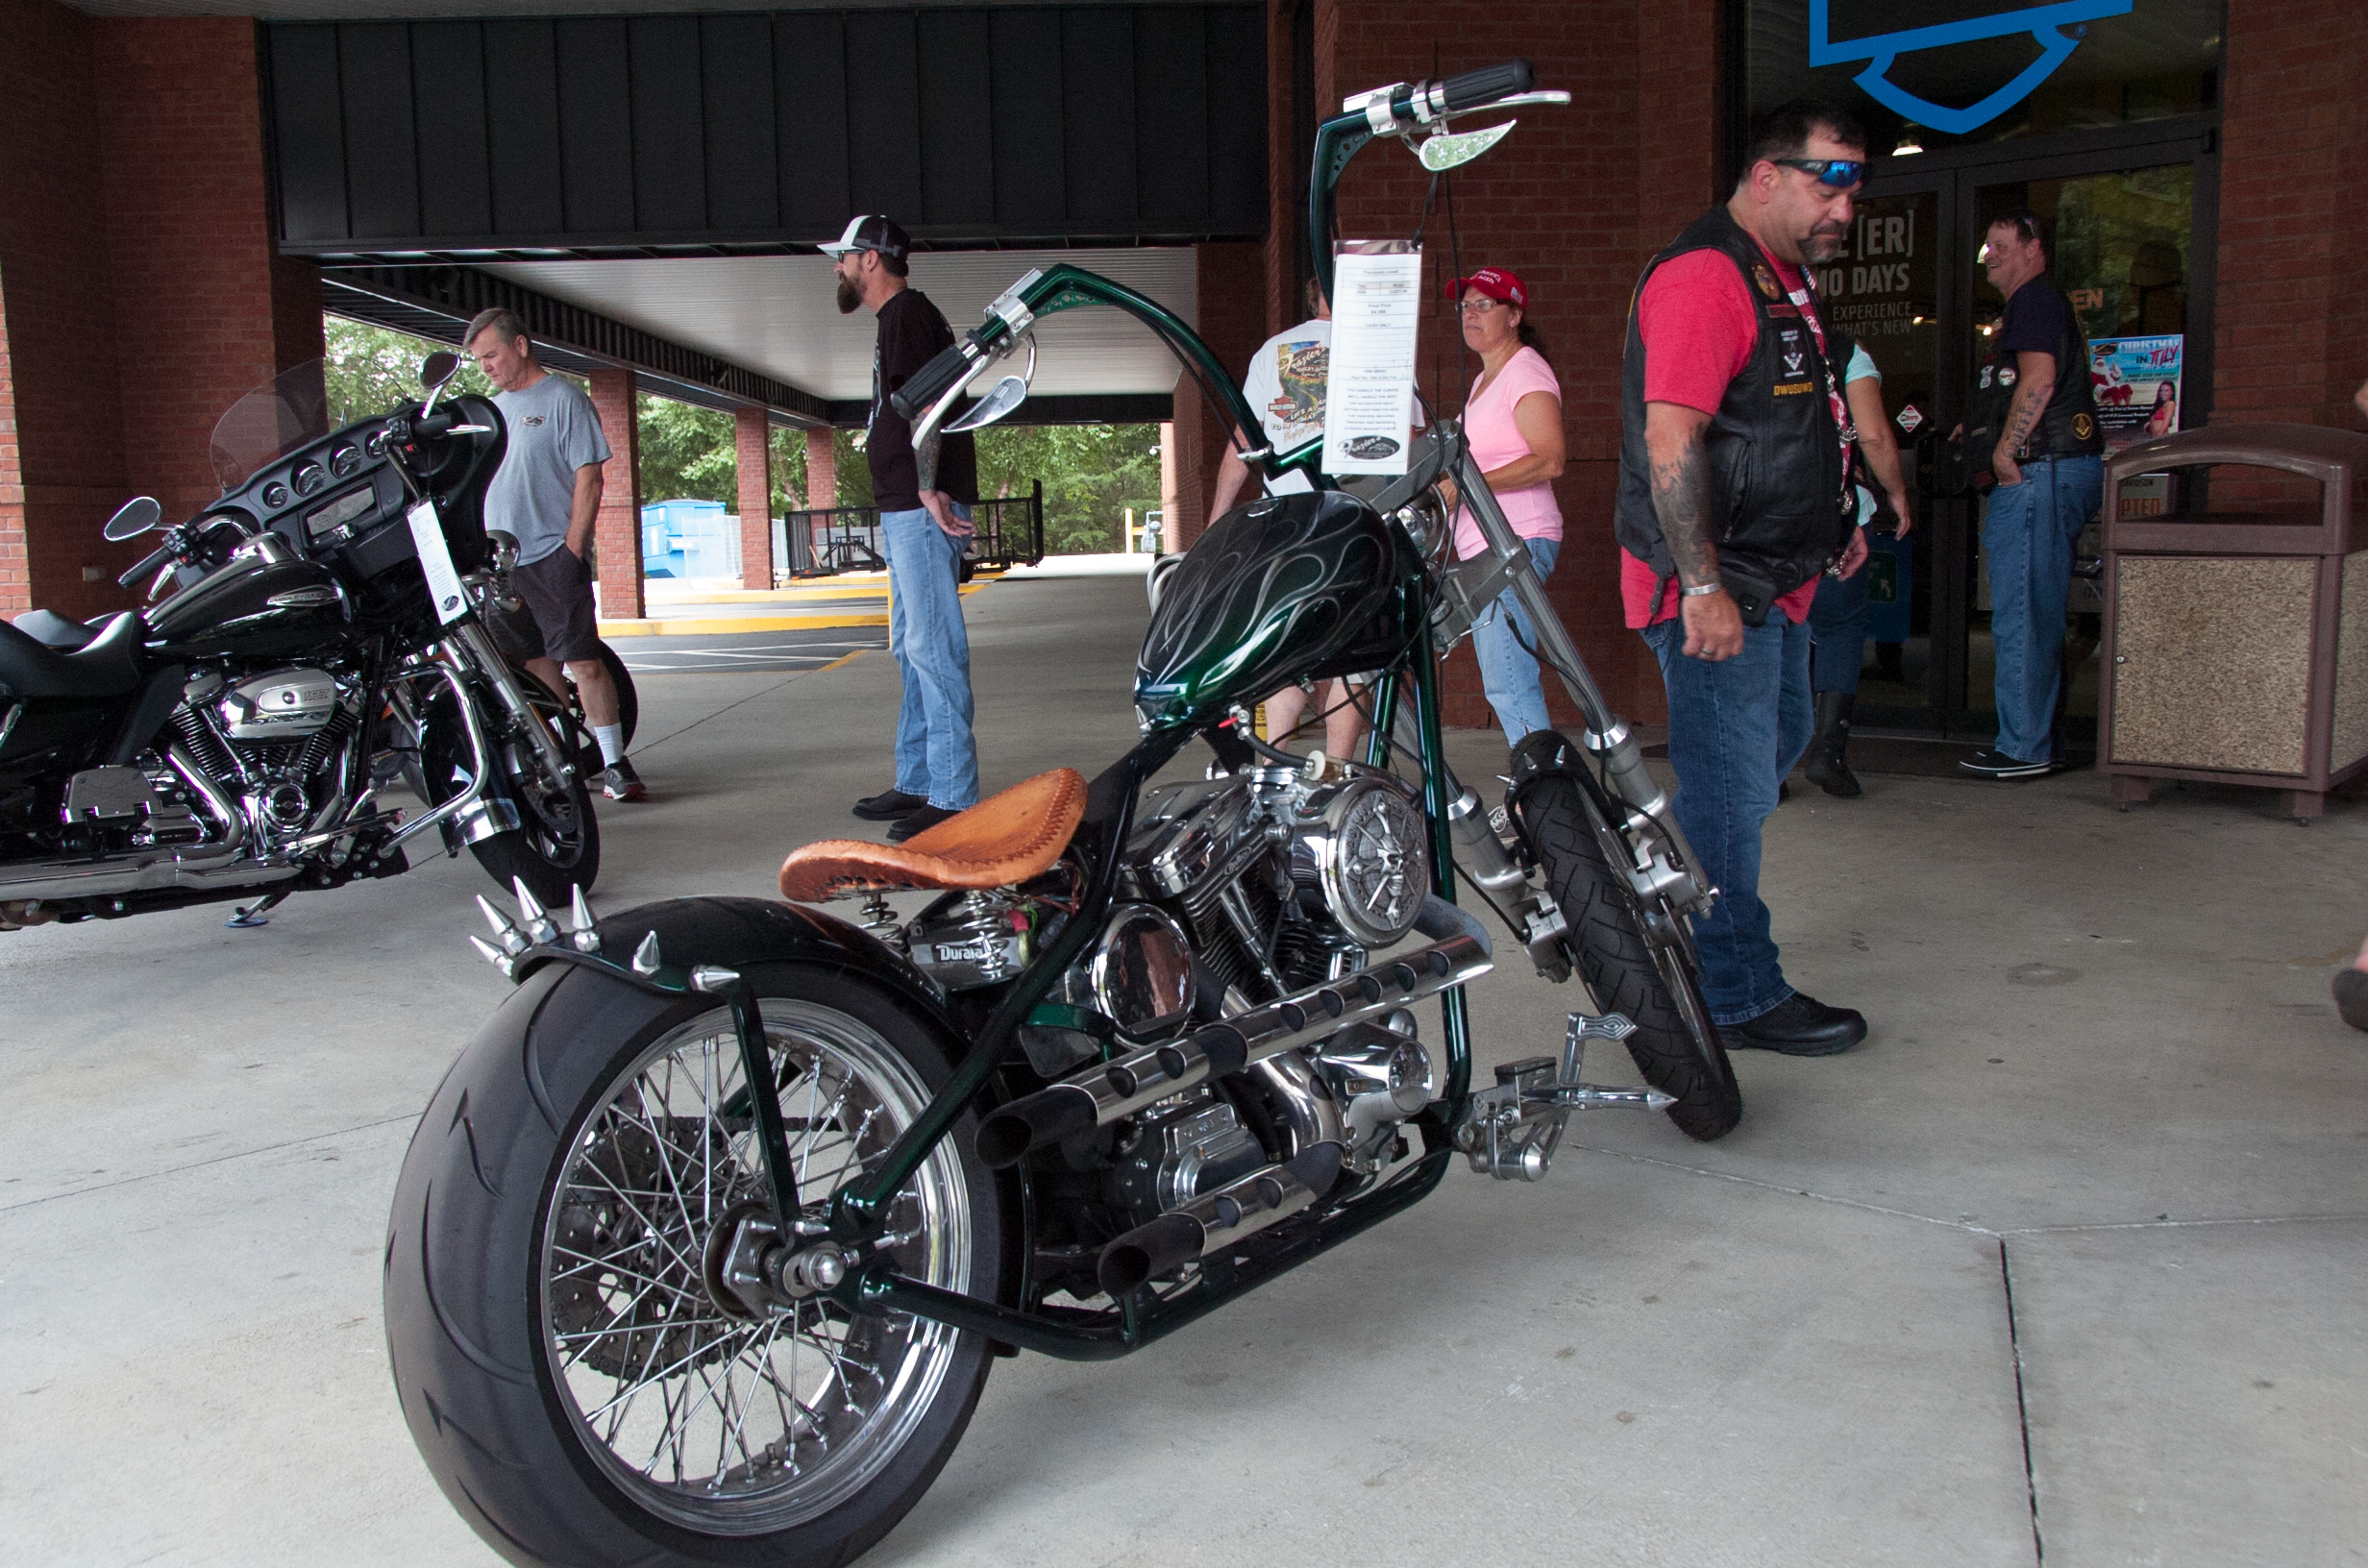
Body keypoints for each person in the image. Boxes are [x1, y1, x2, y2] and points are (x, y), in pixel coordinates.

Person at [1613, 99, 1872, 1056]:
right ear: (1766, 176)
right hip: (1721, 587)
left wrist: (1834, 521)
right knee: (1728, 791)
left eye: (1855, 186)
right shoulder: (1705, 276)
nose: (1844, 209)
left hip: (1776, 576)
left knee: (1768, 753)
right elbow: (1671, 440)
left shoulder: (1780, 277)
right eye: (1829, 183)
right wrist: (1702, 586)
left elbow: (1789, 423)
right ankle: (1732, 990)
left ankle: (1666, 893)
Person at [825, 215, 983, 843]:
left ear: (870, 259)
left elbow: (931, 402)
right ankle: (919, 779)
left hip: (921, 505)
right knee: (911, 647)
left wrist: (926, 484)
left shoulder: (907, 315)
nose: (837, 268)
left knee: (933, 647)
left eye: (842, 257)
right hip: (907, 504)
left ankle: (953, 794)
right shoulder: (897, 319)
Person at [464, 308, 644, 802]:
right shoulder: (489, 412)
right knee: (535, 669)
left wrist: (572, 548)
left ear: (521, 345)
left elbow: (590, 478)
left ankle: (615, 765)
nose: (486, 366)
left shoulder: (565, 400)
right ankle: (562, 765)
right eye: (479, 360)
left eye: (492, 355)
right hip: (502, 565)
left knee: (583, 663)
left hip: (551, 556)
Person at [1958, 208, 2105, 780]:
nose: (1988, 256)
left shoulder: (2034, 300)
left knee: (2022, 614)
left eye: (1999, 244)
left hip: (2041, 471)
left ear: (2033, 248)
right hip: (2054, 469)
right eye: (1985, 247)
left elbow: (2039, 380)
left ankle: (2023, 747)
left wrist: (2004, 453)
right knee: (2034, 612)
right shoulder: (2038, 304)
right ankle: (2038, 741)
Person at [1206, 280, 1369, 761]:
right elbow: (1412, 436)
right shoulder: (1377, 348)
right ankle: (1335, 774)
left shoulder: (1273, 352)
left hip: (1288, 525)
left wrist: (1217, 518)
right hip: (1357, 520)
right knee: (1351, 659)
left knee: (1286, 647)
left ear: (1312, 296)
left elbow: (1244, 442)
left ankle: (1273, 768)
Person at [1445, 265, 1566, 745]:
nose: (1470, 314)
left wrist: (1467, 486)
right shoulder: (1483, 381)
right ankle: (1537, 780)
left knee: (1509, 683)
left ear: (1515, 315)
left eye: (1484, 304)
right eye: (1464, 306)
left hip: (1515, 541)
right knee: (1504, 683)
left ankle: (1542, 785)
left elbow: (1550, 459)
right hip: (1485, 549)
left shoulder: (1525, 370)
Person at [1803, 339, 1915, 797]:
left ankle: (1769, 766)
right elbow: (1872, 436)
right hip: (1833, 510)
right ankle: (1829, 752)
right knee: (1839, 627)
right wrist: (1897, 491)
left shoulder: (1745, 338)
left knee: (1768, 632)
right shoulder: (1845, 352)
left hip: (1757, 517)